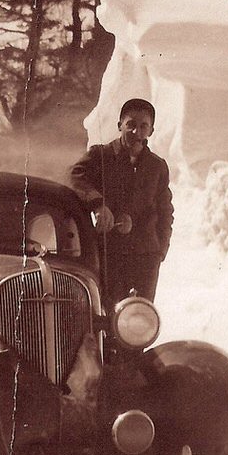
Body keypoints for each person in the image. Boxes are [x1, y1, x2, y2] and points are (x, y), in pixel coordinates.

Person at [70, 98, 173, 308]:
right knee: (106, 313)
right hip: (109, 254)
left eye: (143, 126)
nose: (136, 132)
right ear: (120, 126)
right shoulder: (100, 155)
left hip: (145, 259)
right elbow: (75, 176)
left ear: (151, 131)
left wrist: (160, 250)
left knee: (139, 318)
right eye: (131, 124)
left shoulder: (157, 166)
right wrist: (98, 204)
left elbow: (165, 212)